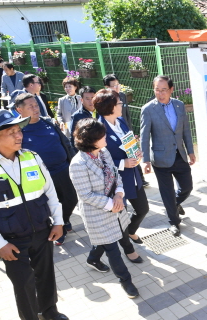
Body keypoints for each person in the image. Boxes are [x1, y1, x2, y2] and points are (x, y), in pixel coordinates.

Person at [0, 109, 69, 320]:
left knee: (46, 275)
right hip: (11, 240)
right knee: (23, 284)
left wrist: (58, 221)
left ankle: (49, 310)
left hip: (42, 231)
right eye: (11, 132)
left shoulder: (32, 157)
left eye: (18, 130)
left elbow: (50, 192)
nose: (18, 135)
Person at [69, 118, 140, 298]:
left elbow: (116, 176)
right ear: (91, 140)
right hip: (97, 212)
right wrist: (112, 205)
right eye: (102, 135)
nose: (106, 137)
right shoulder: (78, 164)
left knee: (117, 234)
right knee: (112, 248)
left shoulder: (104, 152)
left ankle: (93, 259)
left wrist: (119, 194)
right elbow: (86, 195)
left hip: (116, 205)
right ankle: (126, 281)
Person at [14, 93, 76, 246]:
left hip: (63, 169)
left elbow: (65, 143)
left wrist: (74, 161)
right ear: (19, 110)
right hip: (40, 176)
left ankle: (63, 220)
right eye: (31, 106)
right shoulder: (16, 130)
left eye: (36, 105)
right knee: (50, 206)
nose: (36, 108)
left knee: (71, 199)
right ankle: (58, 228)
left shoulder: (48, 122)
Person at [94, 89, 146, 261]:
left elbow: (128, 143)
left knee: (143, 209)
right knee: (120, 217)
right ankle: (129, 250)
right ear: (109, 106)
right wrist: (123, 163)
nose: (122, 105)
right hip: (115, 182)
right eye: (118, 103)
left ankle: (130, 232)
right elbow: (98, 160)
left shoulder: (121, 121)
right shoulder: (98, 129)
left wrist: (136, 151)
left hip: (132, 175)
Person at [140, 76, 195, 236]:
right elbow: (144, 137)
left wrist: (190, 151)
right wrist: (145, 161)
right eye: (157, 89)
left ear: (171, 90)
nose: (160, 93)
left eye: (164, 90)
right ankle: (174, 221)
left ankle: (175, 204)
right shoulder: (148, 109)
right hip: (160, 158)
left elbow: (186, 130)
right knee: (167, 192)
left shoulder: (179, 105)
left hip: (180, 154)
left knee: (187, 186)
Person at [104, 74, 148, 187]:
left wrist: (131, 133)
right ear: (106, 87)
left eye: (117, 85)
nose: (117, 88)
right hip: (115, 138)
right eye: (113, 86)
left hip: (125, 131)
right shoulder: (105, 100)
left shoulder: (122, 96)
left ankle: (140, 180)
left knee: (134, 155)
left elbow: (127, 116)